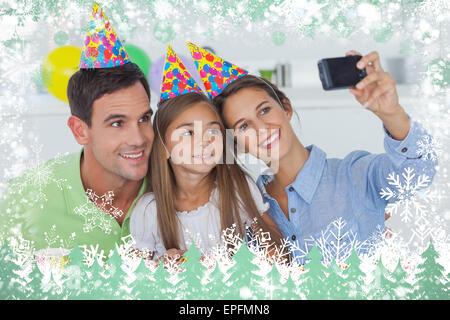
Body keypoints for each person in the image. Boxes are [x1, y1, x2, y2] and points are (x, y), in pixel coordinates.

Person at [187, 43, 437, 264]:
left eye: (264, 110)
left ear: (286, 108)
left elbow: (418, 174)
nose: (262, 129)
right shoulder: (247, 213)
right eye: (243, 126)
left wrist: (392, 113)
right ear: (237, 143)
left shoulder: (356, 175)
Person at [0, 3, 154, 257]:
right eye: (117, 123)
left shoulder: (178, 183)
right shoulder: (25, 200)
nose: (138, 139)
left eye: (143, 119)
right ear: (80, 130)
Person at [130, 46, 283, 263]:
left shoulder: (238, 189)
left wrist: (239, 265)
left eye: (213, 130)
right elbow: (134, 278)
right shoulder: (148, 211)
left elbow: (277, 251)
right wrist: (161, 265)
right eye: (189, 132)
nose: (205, 141)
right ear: (163, 147)